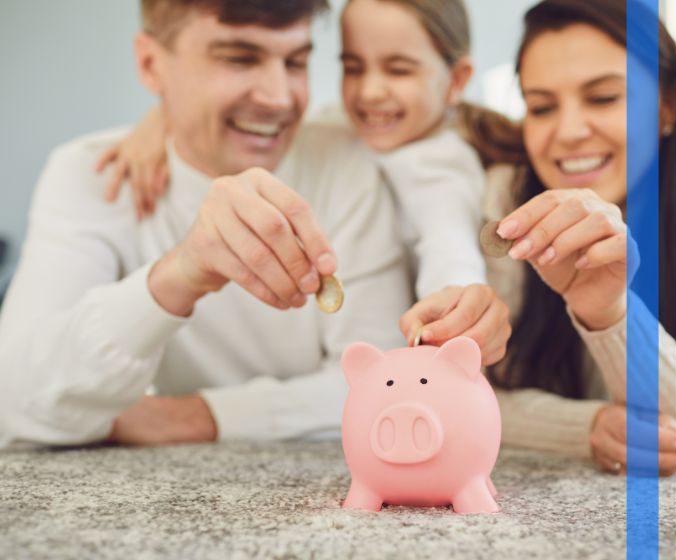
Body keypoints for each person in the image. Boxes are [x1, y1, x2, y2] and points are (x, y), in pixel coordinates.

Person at [0, 0, 509, 448]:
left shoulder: (351, 160)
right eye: (240, 58)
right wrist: (178, 273)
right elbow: (15, 400)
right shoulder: (95, 175)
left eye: (297, 61)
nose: (279, 98)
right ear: (151, 64)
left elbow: (379, 381)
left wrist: (194, 416)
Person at [418, 0, 676, 475]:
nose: (568, 131)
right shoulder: (502, 202)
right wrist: (586, 427)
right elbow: (445, 391)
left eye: (604, 98)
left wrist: (610, 313)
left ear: (667, 105)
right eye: (541, 107)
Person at [98, 0, 505, 343]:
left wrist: (454, 302)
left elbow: (448, 246)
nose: (369, 92)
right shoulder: (346, 128)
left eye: (398, 70)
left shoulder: (442, 166)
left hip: (414, 340)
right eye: (354, 67)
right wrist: (158, 122)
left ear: (457, 81)